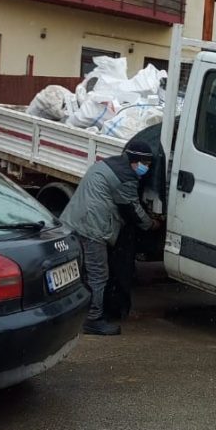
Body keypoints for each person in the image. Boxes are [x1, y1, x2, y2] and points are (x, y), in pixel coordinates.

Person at [60, 140, 160, 336]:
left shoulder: (109, 164)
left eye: (148, 165)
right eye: (144, 164)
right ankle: (93, 319)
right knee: (99, 274)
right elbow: (133, 209)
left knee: (82, 272)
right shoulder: (126, 178)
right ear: (134, 161)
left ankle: (76, 310)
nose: (146, 169)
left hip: (74, 221)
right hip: (92, 229)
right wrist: (152, 224)